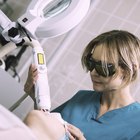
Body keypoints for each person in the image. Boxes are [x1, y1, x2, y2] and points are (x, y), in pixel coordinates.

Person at [24, 30, 140, 140]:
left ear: (128, 70)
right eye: (91, 63)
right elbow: (45, 129)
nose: (93, 72)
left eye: (102, 67)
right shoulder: (81, 97)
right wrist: (37, 98)